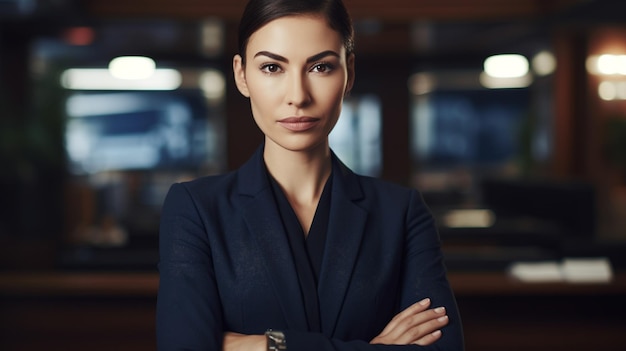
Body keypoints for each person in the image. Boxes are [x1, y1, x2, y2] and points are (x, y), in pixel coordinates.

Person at [156, 0, 464, 350]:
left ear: (349, 72)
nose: (298, 97)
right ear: (242, 75)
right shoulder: (196, 208)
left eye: (320, 67)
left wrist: (272, 345)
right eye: (272, 67)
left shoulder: (401, 212)